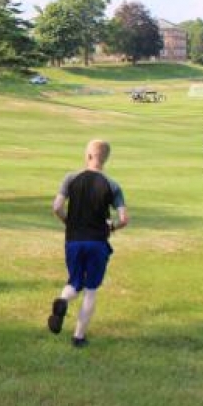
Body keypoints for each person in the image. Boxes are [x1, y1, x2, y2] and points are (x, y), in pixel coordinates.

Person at [47, 140, 129, 348]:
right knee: (90, 289)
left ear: (89, 155)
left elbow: (56, 207)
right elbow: (124, 219)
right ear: (105, 158)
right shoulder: (112, 185)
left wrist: (68, 222)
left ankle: (63, 301)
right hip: (97, 243)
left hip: (73, 240)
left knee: (75, 282)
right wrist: (111, 228)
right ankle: (78, 337)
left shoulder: (70, 178)